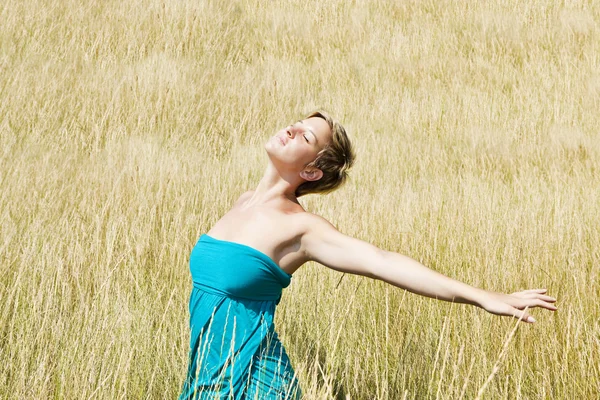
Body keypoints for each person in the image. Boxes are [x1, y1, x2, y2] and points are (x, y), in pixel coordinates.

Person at [178, 111, 558, 399]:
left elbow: (383, 261)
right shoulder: (242, 203)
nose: (292, 129)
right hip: (206, 378)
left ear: (311, 172)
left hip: (257, 384)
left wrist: (481, 296)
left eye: (305, 135)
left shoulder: (301, 228)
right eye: (296, 123)